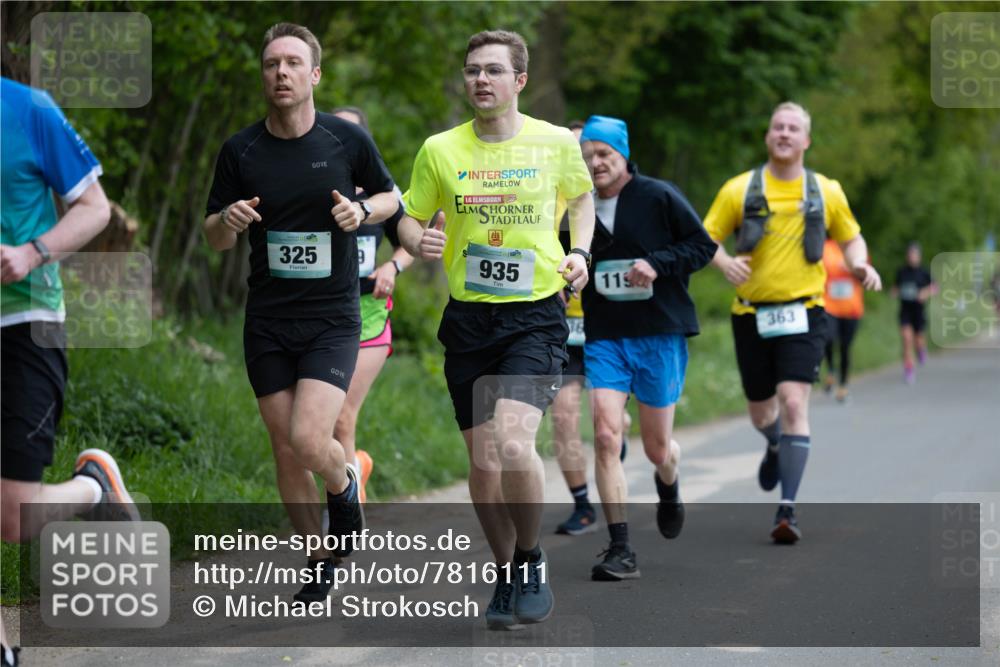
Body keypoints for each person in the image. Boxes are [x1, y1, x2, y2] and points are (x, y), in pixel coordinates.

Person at [397, 30, 595, 628]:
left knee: (512, 443)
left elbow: (582, 200)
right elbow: (408, 216)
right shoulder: (439, 149)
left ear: (519, 80)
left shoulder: (556, 142)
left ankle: (531, 558)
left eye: (493, 70)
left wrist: (580, 253)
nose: (480, 79)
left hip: (534, 314)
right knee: (484, 464)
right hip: (468, 319)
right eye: (472, 70)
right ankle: (505, 570)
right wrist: (418, 239)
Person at [203, 23, 400, 604]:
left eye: (292, 63)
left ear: (314, 74)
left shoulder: (345, 140)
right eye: (271, 64)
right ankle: (317, 558)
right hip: (267, 319)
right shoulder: (240, 150)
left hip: (331, 318)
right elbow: (213, 236)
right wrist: (227, 221)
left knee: (311, 439)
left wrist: (362, 212)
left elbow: (391, 197)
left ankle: (343, 482)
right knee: (284, 446)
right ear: (263, 76)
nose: (281, 73)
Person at [1, 76, 138, 667]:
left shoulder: (26, 108)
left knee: (13, 516)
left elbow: (95, 209)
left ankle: (94, 489)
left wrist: (30, 253)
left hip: (25, 320)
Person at [704, 101, 882, 544]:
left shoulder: (826, 190)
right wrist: (725, 264)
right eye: (777, 127)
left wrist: (860, 264)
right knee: (761, 411)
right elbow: (705, 239)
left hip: (805, 311)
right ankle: (774, 441)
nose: (784, 133)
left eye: (792, 128)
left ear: (806, 140)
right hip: (750, 313)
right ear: (768, 137)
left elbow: (852, 238)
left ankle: (787, 509)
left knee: (794, 401)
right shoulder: (739, 189)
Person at [577, 116, 716, 580]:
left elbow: (702, 246)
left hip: (658, 333)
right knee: (605, 434)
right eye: (587, 155)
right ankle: (620, 548)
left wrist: (658, 263)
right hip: (605, 335)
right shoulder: (577, 204)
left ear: (623, 154)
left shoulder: (658, 195)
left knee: (657, 449)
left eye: (604, 154)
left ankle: (668, 481)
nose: (595, 163)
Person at [330, 106, 414, 503]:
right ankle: (355, 469)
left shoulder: (382, 197)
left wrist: (392, 267)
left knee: (342, 415)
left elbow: (411, 241)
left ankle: (347, 513)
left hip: (369, 314)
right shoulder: (312, 187)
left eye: (350, 133)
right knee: (316, 426)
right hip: (320, 315)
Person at [551, 119, 631, 537]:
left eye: (589, 152)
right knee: (563, 415)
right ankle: (583, 504)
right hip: (564, 327)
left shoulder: (617, 202)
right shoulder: (548, 200)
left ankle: (617, 436)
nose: (585, 160)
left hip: (608, 327)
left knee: (610, 421)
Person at [820, 238, 865, 402]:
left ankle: (843, 385)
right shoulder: (825, 247)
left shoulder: (857, 247)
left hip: (851, 309)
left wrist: (853, 269)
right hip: (829, 306)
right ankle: (831, 371)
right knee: (828, 339)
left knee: (845, 347)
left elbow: (866, 276)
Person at [892, 242, 936, 384]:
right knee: (906, 340)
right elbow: (896, 287)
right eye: (910, 254)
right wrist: (894, 292)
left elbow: (935, 287)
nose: (912, 257)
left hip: (918, 311)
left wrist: (925, 293)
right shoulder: (901, 272)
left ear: (919, 256)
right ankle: (909, 369)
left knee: (918, 340)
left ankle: (921, 350)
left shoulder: (924, 272)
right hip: (905, 311)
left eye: (914, 254)